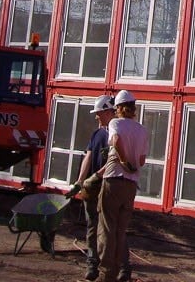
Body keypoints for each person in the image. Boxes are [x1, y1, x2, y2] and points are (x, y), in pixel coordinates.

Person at [68, 95, 123, 282]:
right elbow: (88, 157)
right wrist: (80, 181)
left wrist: (96, 176)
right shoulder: (97, 134)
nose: (97, 116)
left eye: (99, 113)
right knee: (92, 226)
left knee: (112, 227)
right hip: (92, 186)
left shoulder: (118, 134)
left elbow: (114, 160)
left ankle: (122, 267)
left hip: (110, 185)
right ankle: (92, 264)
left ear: (109, 111)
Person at [96, 89, 149, 282]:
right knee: (120, 230)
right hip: (131, 185)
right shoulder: (142, 130)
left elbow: (116, 140)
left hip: (113, 180)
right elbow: (142, 160)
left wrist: (123, 160)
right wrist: (132, 162)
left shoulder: (115, 123)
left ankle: (106, 275)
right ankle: (118, 270)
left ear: (118, 108)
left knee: (107, 228)